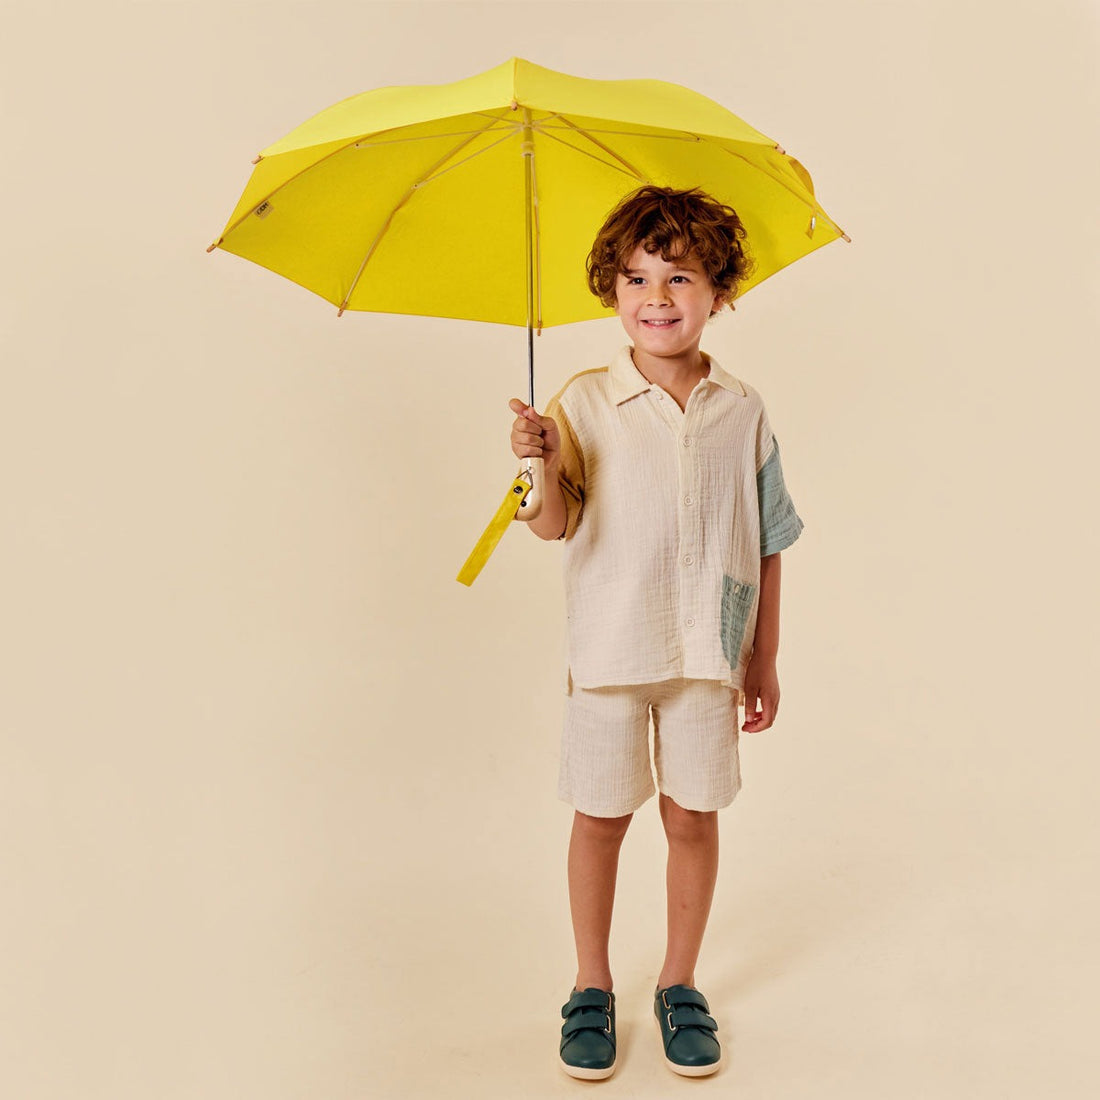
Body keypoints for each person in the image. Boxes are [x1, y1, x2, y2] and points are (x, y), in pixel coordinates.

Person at [507, 185, 804, 1081]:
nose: (658, 297)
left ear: (719, 292)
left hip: (709, 655)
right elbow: (552, 525)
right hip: (609, 650)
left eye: (681, 276)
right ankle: (590, 986)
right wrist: (539, 463)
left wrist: (764, 656)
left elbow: (771, 538)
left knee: (692, 815)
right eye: (637, 278)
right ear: (612, 291)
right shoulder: (583, 405)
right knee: (599, 818)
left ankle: (680, 983)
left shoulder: (743, 411)